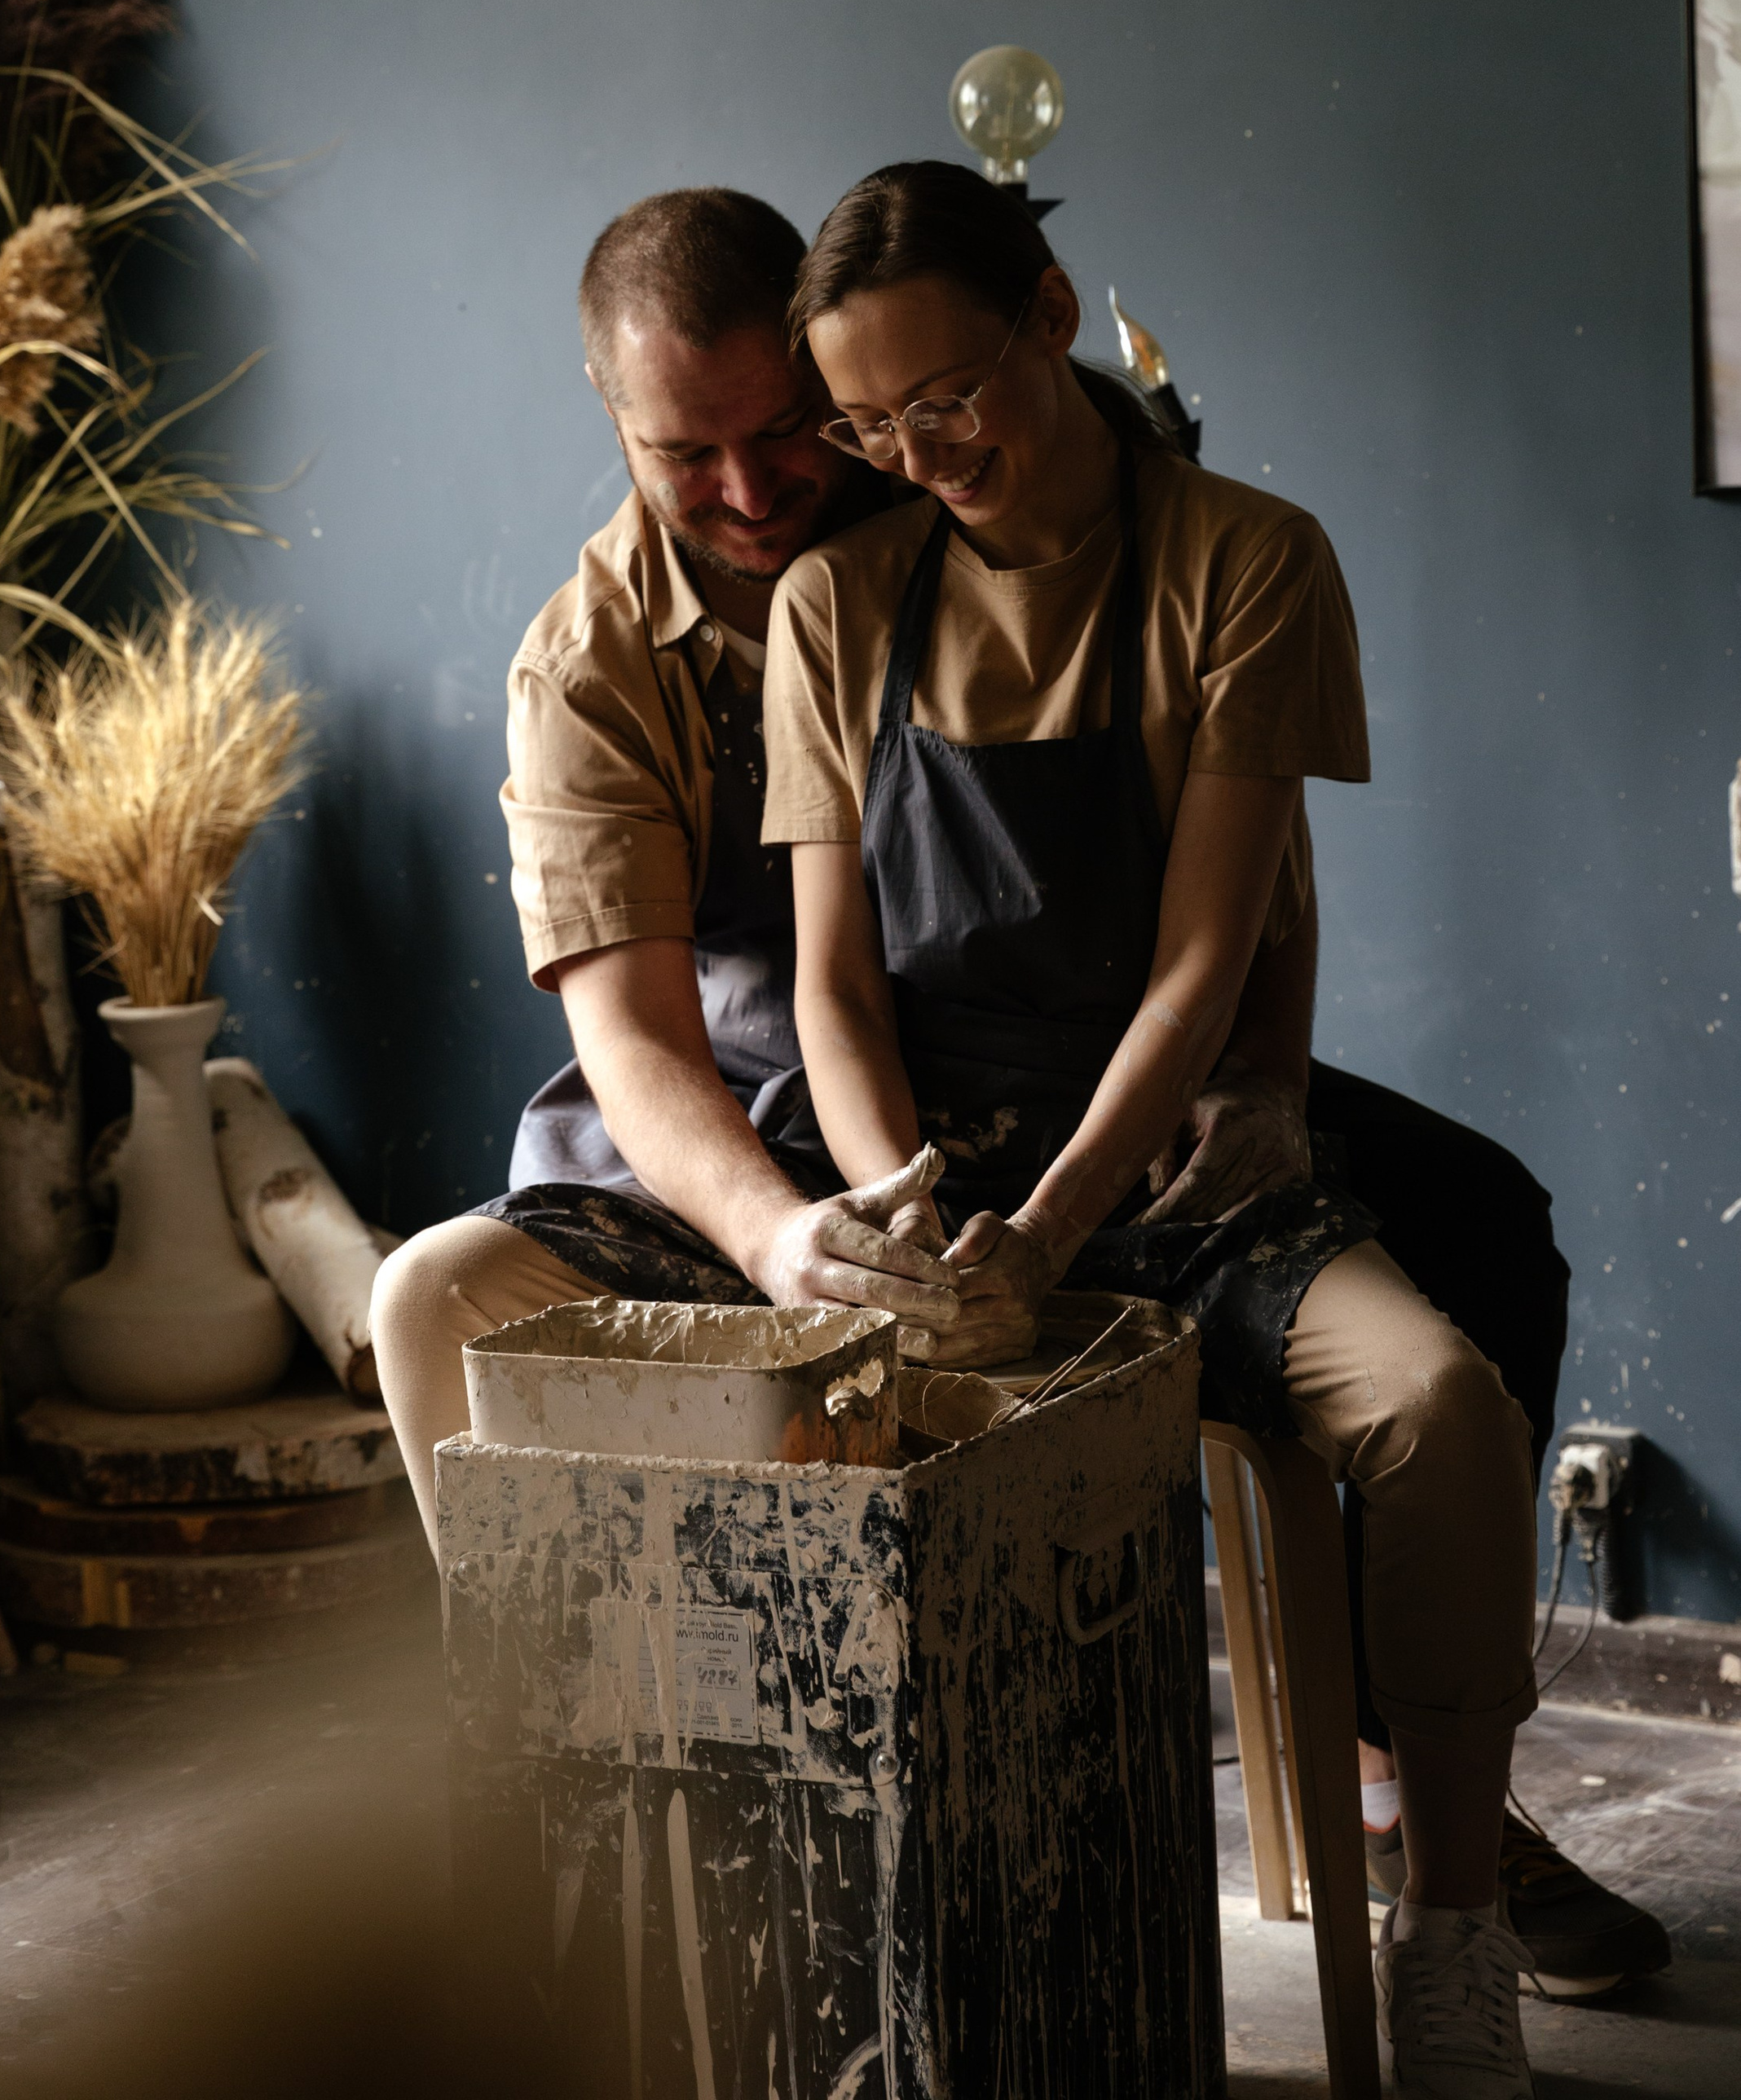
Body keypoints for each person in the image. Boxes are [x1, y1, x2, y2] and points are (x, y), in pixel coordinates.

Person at [368, 180, 1666, 2038]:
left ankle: (1414, 1770)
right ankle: (596, 1816)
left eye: (789, 436)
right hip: (757, 1132)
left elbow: (1228, 883)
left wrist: (1235, 1097)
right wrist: (794, 1231)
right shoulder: (597, 661)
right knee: (421, 1296)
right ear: (610, 420)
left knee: (1472, 1226)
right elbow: (645, 1041)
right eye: (688, 456)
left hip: (1068, 1089)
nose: (752, 488)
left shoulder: (949, 486)